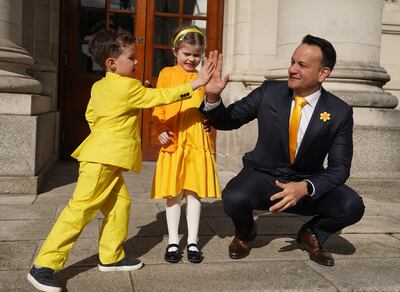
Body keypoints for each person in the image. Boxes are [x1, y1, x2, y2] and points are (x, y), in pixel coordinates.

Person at [27, 28, 216, 292]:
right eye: (132, 58)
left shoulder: (99, 85)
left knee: (120, 205)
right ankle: (44, 265)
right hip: (102, 160)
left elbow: (92, 116)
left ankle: (111, 257)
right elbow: (158, 97)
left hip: (104, 156)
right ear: (112, 63)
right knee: (79, 210)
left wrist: (105, 137)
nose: (137, 62)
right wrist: (195, 83)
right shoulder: (128, 86)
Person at [201, 35, 365, 266]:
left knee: (352, 205)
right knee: (234, 197)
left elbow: (339, 169)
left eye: (302, 65)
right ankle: (246, 233)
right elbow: (228, 120)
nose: (292, 69)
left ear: (323, 73)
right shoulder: (269, 92)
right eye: (292, 62)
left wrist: (306, 187)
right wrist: (213, 96)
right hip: (264, 176)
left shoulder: (339, 112)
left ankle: (312, 234)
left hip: (306, 182)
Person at [151, 25, 221, 264]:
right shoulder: (167, 74)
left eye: (196, 55)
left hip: (196, 139)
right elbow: (158, 105)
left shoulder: (205, 77)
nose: (191, 59)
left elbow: (208, 107)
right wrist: (159, 129)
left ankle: (192, 241)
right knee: (173, 192)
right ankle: (173, 240)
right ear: (175, 52)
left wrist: (210, 115)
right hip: (174, 138)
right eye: (186, 54)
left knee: (194, 192)